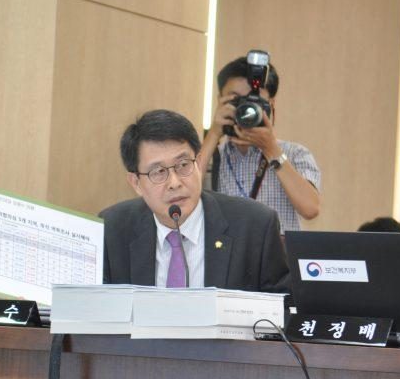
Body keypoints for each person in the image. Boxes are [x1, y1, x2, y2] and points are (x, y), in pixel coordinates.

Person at [102, 109, 289, 293]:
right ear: (136, 183)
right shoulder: (111, 229)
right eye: (158, 172)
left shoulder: (255, 226)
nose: (174, 183)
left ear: (198, 164)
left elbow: (283, 305)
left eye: (183, 165)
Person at [199, 54, 320, 232]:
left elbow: (310, 208)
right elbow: (184, 190)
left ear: (271, 105)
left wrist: (271, 149)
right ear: (219, 101)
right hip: (225, 249)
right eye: (235, 100)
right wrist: (214, 133)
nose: (246, 109)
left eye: (253, 101)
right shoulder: (210, 155)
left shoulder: (295, 154)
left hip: (276, 250)